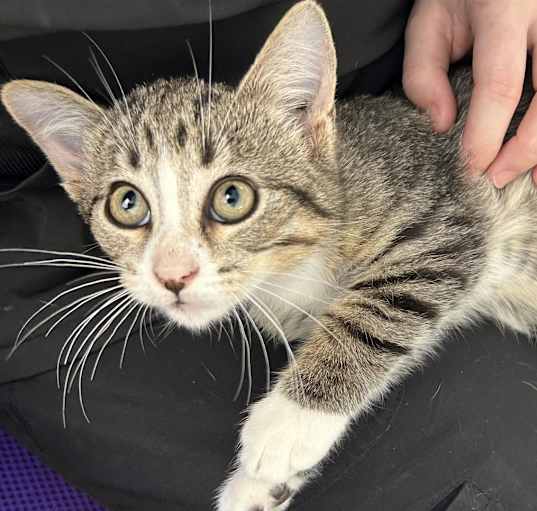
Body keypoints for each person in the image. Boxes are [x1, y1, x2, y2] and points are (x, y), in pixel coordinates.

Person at [0, 1, 536, 510]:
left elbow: (451, 244)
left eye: (229, 198)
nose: (172, 271)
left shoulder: (363, 182)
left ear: (305, 127)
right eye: (128, 205)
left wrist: (315, 399)